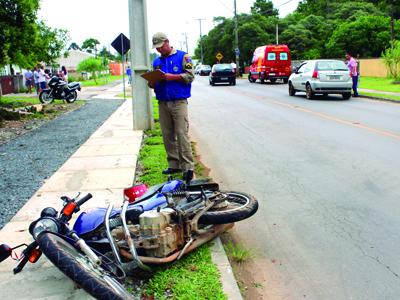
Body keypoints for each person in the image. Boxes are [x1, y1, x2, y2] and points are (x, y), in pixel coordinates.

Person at [148, 32, 195, 182]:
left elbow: (190, 76)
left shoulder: (183, 57)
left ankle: (187, 167)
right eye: (156, 48)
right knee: (168, 135)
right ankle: (174, 164)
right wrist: (152, 81)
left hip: (178, 102)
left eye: (161, 47)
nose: (159, 50)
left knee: (182, 134)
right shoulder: (156, 62)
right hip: (162, 102)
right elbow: (152, 84)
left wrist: (171, 77)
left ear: (167, 42)